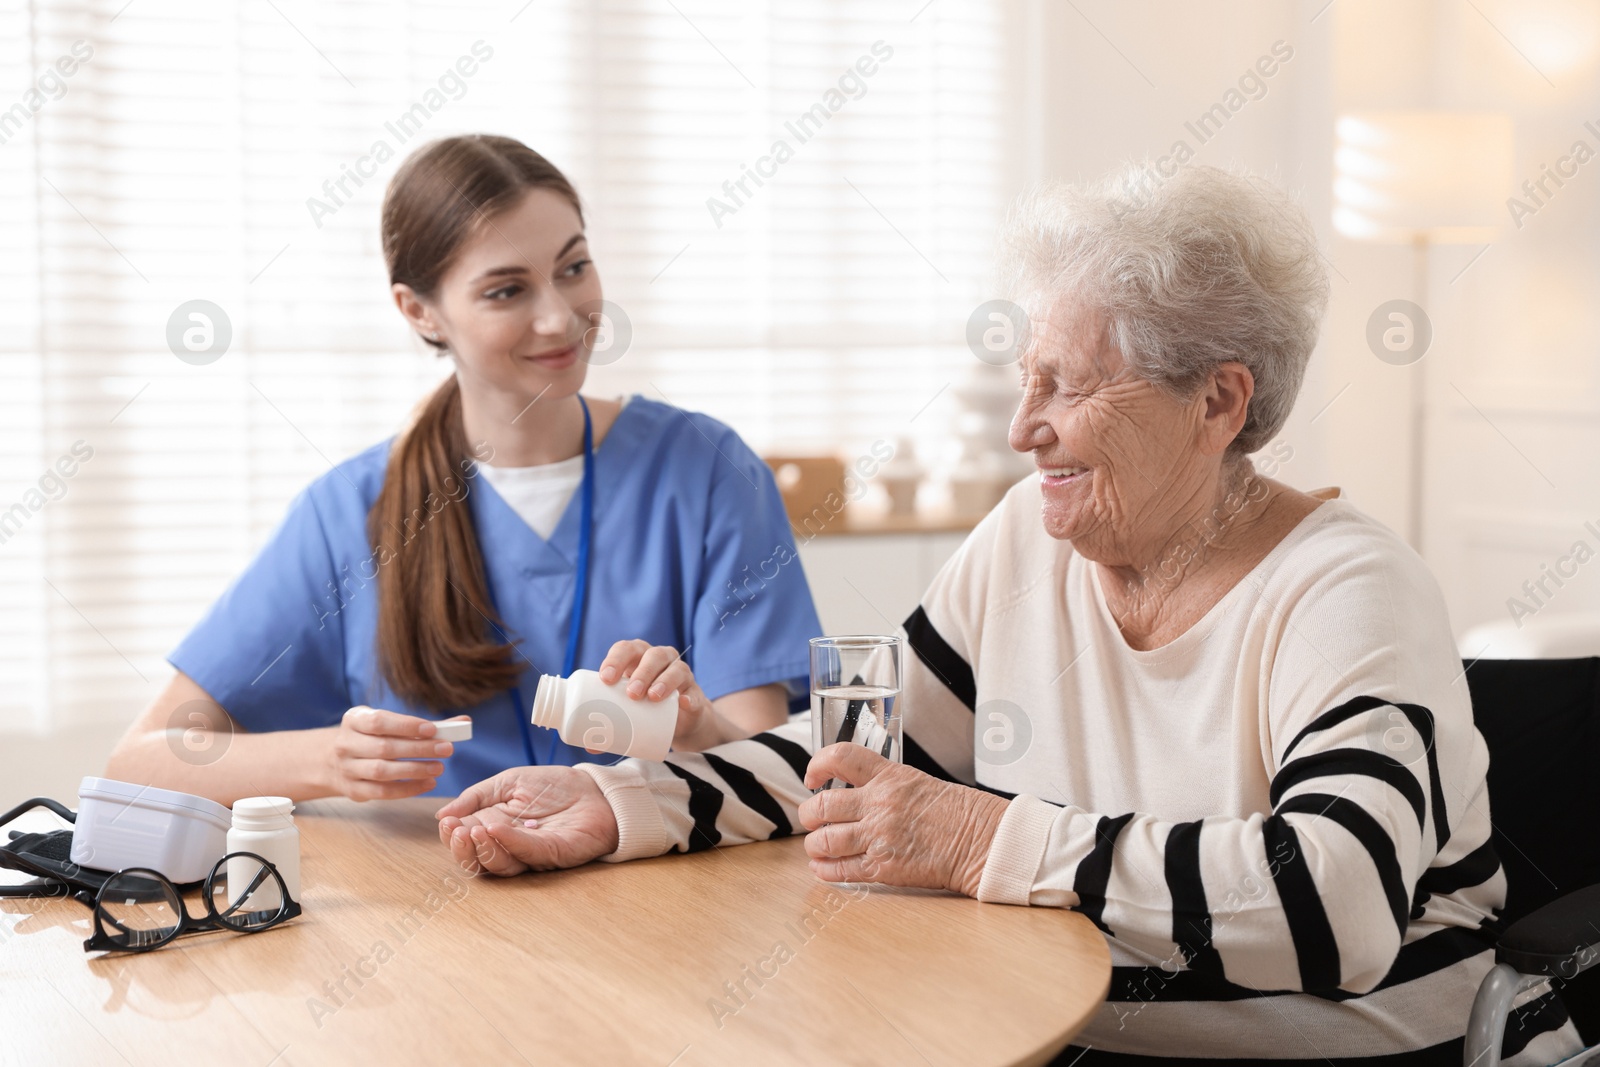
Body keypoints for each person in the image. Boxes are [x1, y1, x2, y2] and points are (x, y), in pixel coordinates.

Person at [433, 164, 1582, 1066]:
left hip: (1322, 1048)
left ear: (1217, 401)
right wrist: (621, 802)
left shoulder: (1345, 588)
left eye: (1066, 385)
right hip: (1065, 1024)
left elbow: (1331, 905)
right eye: (1022, 380)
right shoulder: (1028, 540)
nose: (1020, 427)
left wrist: (980, 836)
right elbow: (859, 760)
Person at [105, 134, 821, 805]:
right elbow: (138, 761)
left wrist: (692, 731)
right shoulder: (350, 512)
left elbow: (763, 768)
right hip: (442, 915)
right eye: (507, 290)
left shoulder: (708, 473)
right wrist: (329, 760)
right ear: (420, 312)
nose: (561, 318)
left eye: (573, 268)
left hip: (662, 908)